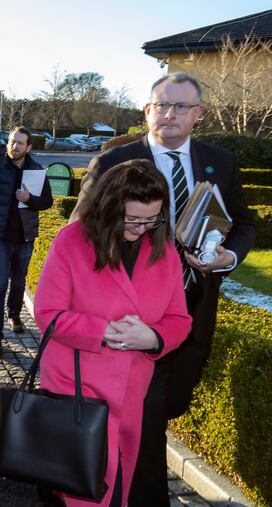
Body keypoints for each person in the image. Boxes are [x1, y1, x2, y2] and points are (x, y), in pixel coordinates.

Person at [72, 73, 256, 507]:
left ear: (199, 114)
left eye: (180, 107)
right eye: (161, 105)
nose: (169, 114)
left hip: (194, 311)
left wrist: (226, 258)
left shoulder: (221, 161)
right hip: (136, 319)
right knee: (146, 418)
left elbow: (244, 224)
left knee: (168, 405)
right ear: (148, 110)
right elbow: (80, 234)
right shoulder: (116, 160)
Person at [34, 159, 192, 506]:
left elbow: (179, 319)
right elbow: (47, 313)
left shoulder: (162, 249)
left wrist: (153, 338)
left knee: (117, 487)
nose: (141, 228)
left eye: (152, 219)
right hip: (76, 392)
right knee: (80, 492)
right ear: (109, 206)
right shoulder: (72, 241)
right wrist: (104, 331)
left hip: (132, 394)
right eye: (132, 219)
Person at [0, 127, 52, 354]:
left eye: (20, 143)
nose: (14, 146)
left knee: (19, 282)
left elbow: (47, 202)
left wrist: (30, 199)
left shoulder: (37, 171)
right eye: (12, 141)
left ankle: (14, 316)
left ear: (28, 147)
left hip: (24, 237)